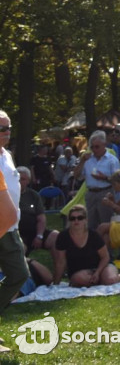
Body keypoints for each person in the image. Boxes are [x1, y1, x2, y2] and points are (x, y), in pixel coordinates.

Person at [53, 204, 120, 287]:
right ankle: (101, 280)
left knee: (110, 280)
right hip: (79, 271)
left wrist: (97, 272)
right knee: (78, 280)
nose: (76, 221)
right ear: (69, 221)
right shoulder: (63, 237)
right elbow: (61, 262)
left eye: (80, 218)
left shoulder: (93, 235)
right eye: (72, 218)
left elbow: (105, 257)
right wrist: (55, 284)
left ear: (86, 220)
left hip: (101, 266)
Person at [0, 111, 29, 315]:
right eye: (1, 128)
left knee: (19, 274)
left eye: (8, 127)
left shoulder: (7, 155)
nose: (6, 132)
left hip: (10, 227)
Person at [16, 166, 57, 286]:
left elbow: (41, 218)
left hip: (34, 231)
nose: (20, 182)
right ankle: (22, 279)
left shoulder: (33, 195)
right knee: (19, 247)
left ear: (28, 181)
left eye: (23, 179)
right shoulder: (7, 195)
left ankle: (58, 275)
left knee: (55, 236)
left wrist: (39, 236)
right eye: (18, 179)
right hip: (17, 233)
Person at [72, 131, 120, 229]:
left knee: (106, 223)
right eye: (92, 147)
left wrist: (105, 178)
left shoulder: (112, 160)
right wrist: (82, 161)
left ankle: (106, 243)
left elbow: (118, 182)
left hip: (105, 192)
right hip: (90, 193)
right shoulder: (87, 159)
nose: (94, 149)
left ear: (104, 145)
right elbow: (76, 175)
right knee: (90, 224)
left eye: (97, 147)